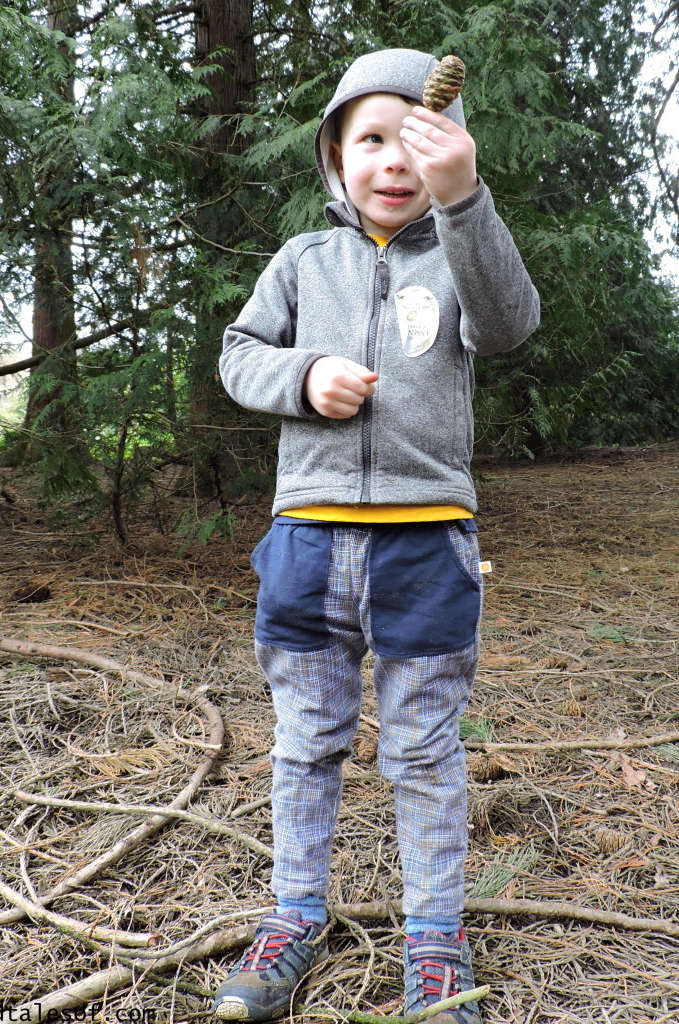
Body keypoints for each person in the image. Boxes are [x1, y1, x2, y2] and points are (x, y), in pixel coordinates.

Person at [212, 47, 539, 1024]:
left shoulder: (460, 255)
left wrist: (466, 199)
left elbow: (512, 323)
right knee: (307, 740)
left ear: (447, 151)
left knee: (425, 751)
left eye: (416, 140)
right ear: (334, 157)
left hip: (427, 544)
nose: (393, 160)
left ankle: (435, 940)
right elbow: (239, 355)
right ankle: (294, 914)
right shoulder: (303, 262)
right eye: (370, 139)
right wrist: (304, 375)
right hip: (307, 543)